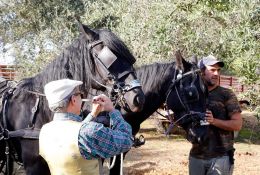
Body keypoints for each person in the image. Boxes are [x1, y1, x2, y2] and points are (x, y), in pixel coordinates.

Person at [39, 79, 133, 175]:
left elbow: (74, 135)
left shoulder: (45, 131)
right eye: (80, 94)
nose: (82, 97)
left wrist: (93, 114)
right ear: (73, 100)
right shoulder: (89, 131)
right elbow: (127, 140)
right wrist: (112, 110)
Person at [188, 55, 243, 175]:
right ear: (202, 72)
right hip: (196, 156)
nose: (216, 73)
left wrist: (214, 121)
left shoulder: (227, 94)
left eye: (218, 70)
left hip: (220, 157)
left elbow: (238, 124)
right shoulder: (194, 95)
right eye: (212, 70)